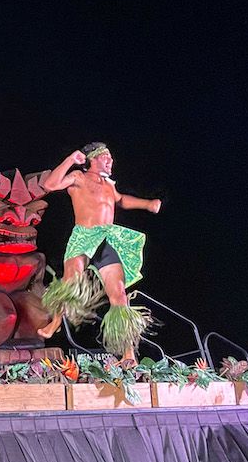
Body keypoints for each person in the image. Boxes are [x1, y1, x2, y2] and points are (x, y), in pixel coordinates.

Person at [38, 142, 161, 361]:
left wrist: (147, 204)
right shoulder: (78, 178)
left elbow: (121, 200)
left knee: (120, 295)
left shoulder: (109, 185)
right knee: (70, 285)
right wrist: (69, 160)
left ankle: (128, 352)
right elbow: (49, 184)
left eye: (111, 158)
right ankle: (55, 321)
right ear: (92, 160)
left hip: (106, 240)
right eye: (106, 157)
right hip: (84, 237)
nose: (111, 161)